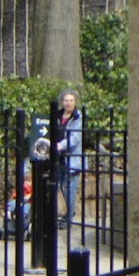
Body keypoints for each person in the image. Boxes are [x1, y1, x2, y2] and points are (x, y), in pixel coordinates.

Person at [55, 90, 84, 225]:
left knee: (69, 189)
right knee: (61, 186)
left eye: (71, 100)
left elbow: (75, 138)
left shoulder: (77, 117)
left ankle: (69, 216)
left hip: (71, 159)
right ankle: (68, 213)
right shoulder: (57, 115)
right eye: (66, 100)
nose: (68, 103)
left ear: (75, 102)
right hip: (58, 158)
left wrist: (60, 146)